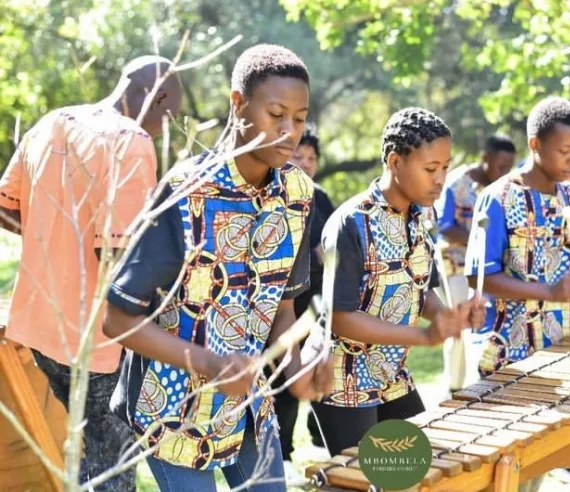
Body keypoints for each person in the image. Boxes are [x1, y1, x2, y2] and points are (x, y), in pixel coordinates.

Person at [102, 44, 332, 492]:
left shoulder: (298, 194)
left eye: (300, 119)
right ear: (237, 104)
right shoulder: (186, 193)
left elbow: (282, 308)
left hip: (249, 408)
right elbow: (116, 317)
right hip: (173, 410)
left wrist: (295, 365)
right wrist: (208, 362)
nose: (289, 132)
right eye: (276, 114)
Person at [0, 56, 182, 490]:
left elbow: (7, 208)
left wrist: (57, 238)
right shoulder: (130, 141)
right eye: (169, 114)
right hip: (98, 339)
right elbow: (121, 259)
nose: (165, 125)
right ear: (156, 98)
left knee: (88, 450)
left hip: (42, 328)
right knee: (112, 465)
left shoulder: (51, 123)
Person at [466, 97, 570, 492]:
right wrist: (548, 290)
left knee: (537, 456)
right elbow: (478, 277)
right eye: (563, 151)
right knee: (499, 458)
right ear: (535, 145)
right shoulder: (499, 197)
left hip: (556, 342)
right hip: (505, 348)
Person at [310, 107, 485, 457]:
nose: (441, 179)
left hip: (393, 374)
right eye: (431, 169)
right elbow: (340, 318)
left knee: (418, 471)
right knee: (364, 481)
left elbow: (420, 292)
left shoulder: (422, 215)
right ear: (395, 162)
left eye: (446, 168)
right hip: (344, 379)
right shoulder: (351, 223)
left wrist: (449, 316)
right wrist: (422, 336)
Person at [270, 127, 333, 484]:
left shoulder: (319, 197)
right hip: (282, 307)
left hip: (313, 306)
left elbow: (331, 251)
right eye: (298, 156)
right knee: (282, 380)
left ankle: (315, 439)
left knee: (308, 375)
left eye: (311, 158)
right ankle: (282, 454)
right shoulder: (279, 194)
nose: (306, 164)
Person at [435, 134, 516, 393]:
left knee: (480, 324)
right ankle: (455, 386)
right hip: (454, 266)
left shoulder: (504, 189)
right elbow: (445, 226)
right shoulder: (457, 184)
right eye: (501, 166)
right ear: (484, 159)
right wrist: (480, 239)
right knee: (458, 324)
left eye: (509, 167)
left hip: (487, 267)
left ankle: (473, 381)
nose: (505, 172)